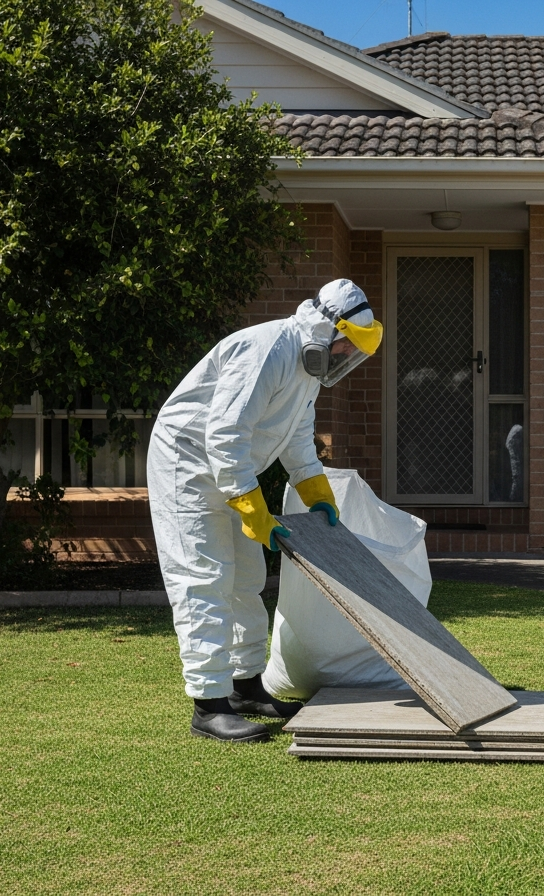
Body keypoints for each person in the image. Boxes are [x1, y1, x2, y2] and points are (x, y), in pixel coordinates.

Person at [147, 279, 382, 742]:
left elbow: (296, 439)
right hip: (188, 463)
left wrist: (318, 493)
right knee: (204, 578)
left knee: (247, 579)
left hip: (234, 472)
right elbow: (225, 433)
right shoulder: (268, 349)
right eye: (344, 347)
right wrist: (251, 504)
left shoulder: (305, 372)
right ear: (324, 330)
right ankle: (208, 705)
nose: (343, 358)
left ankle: (245, 686)